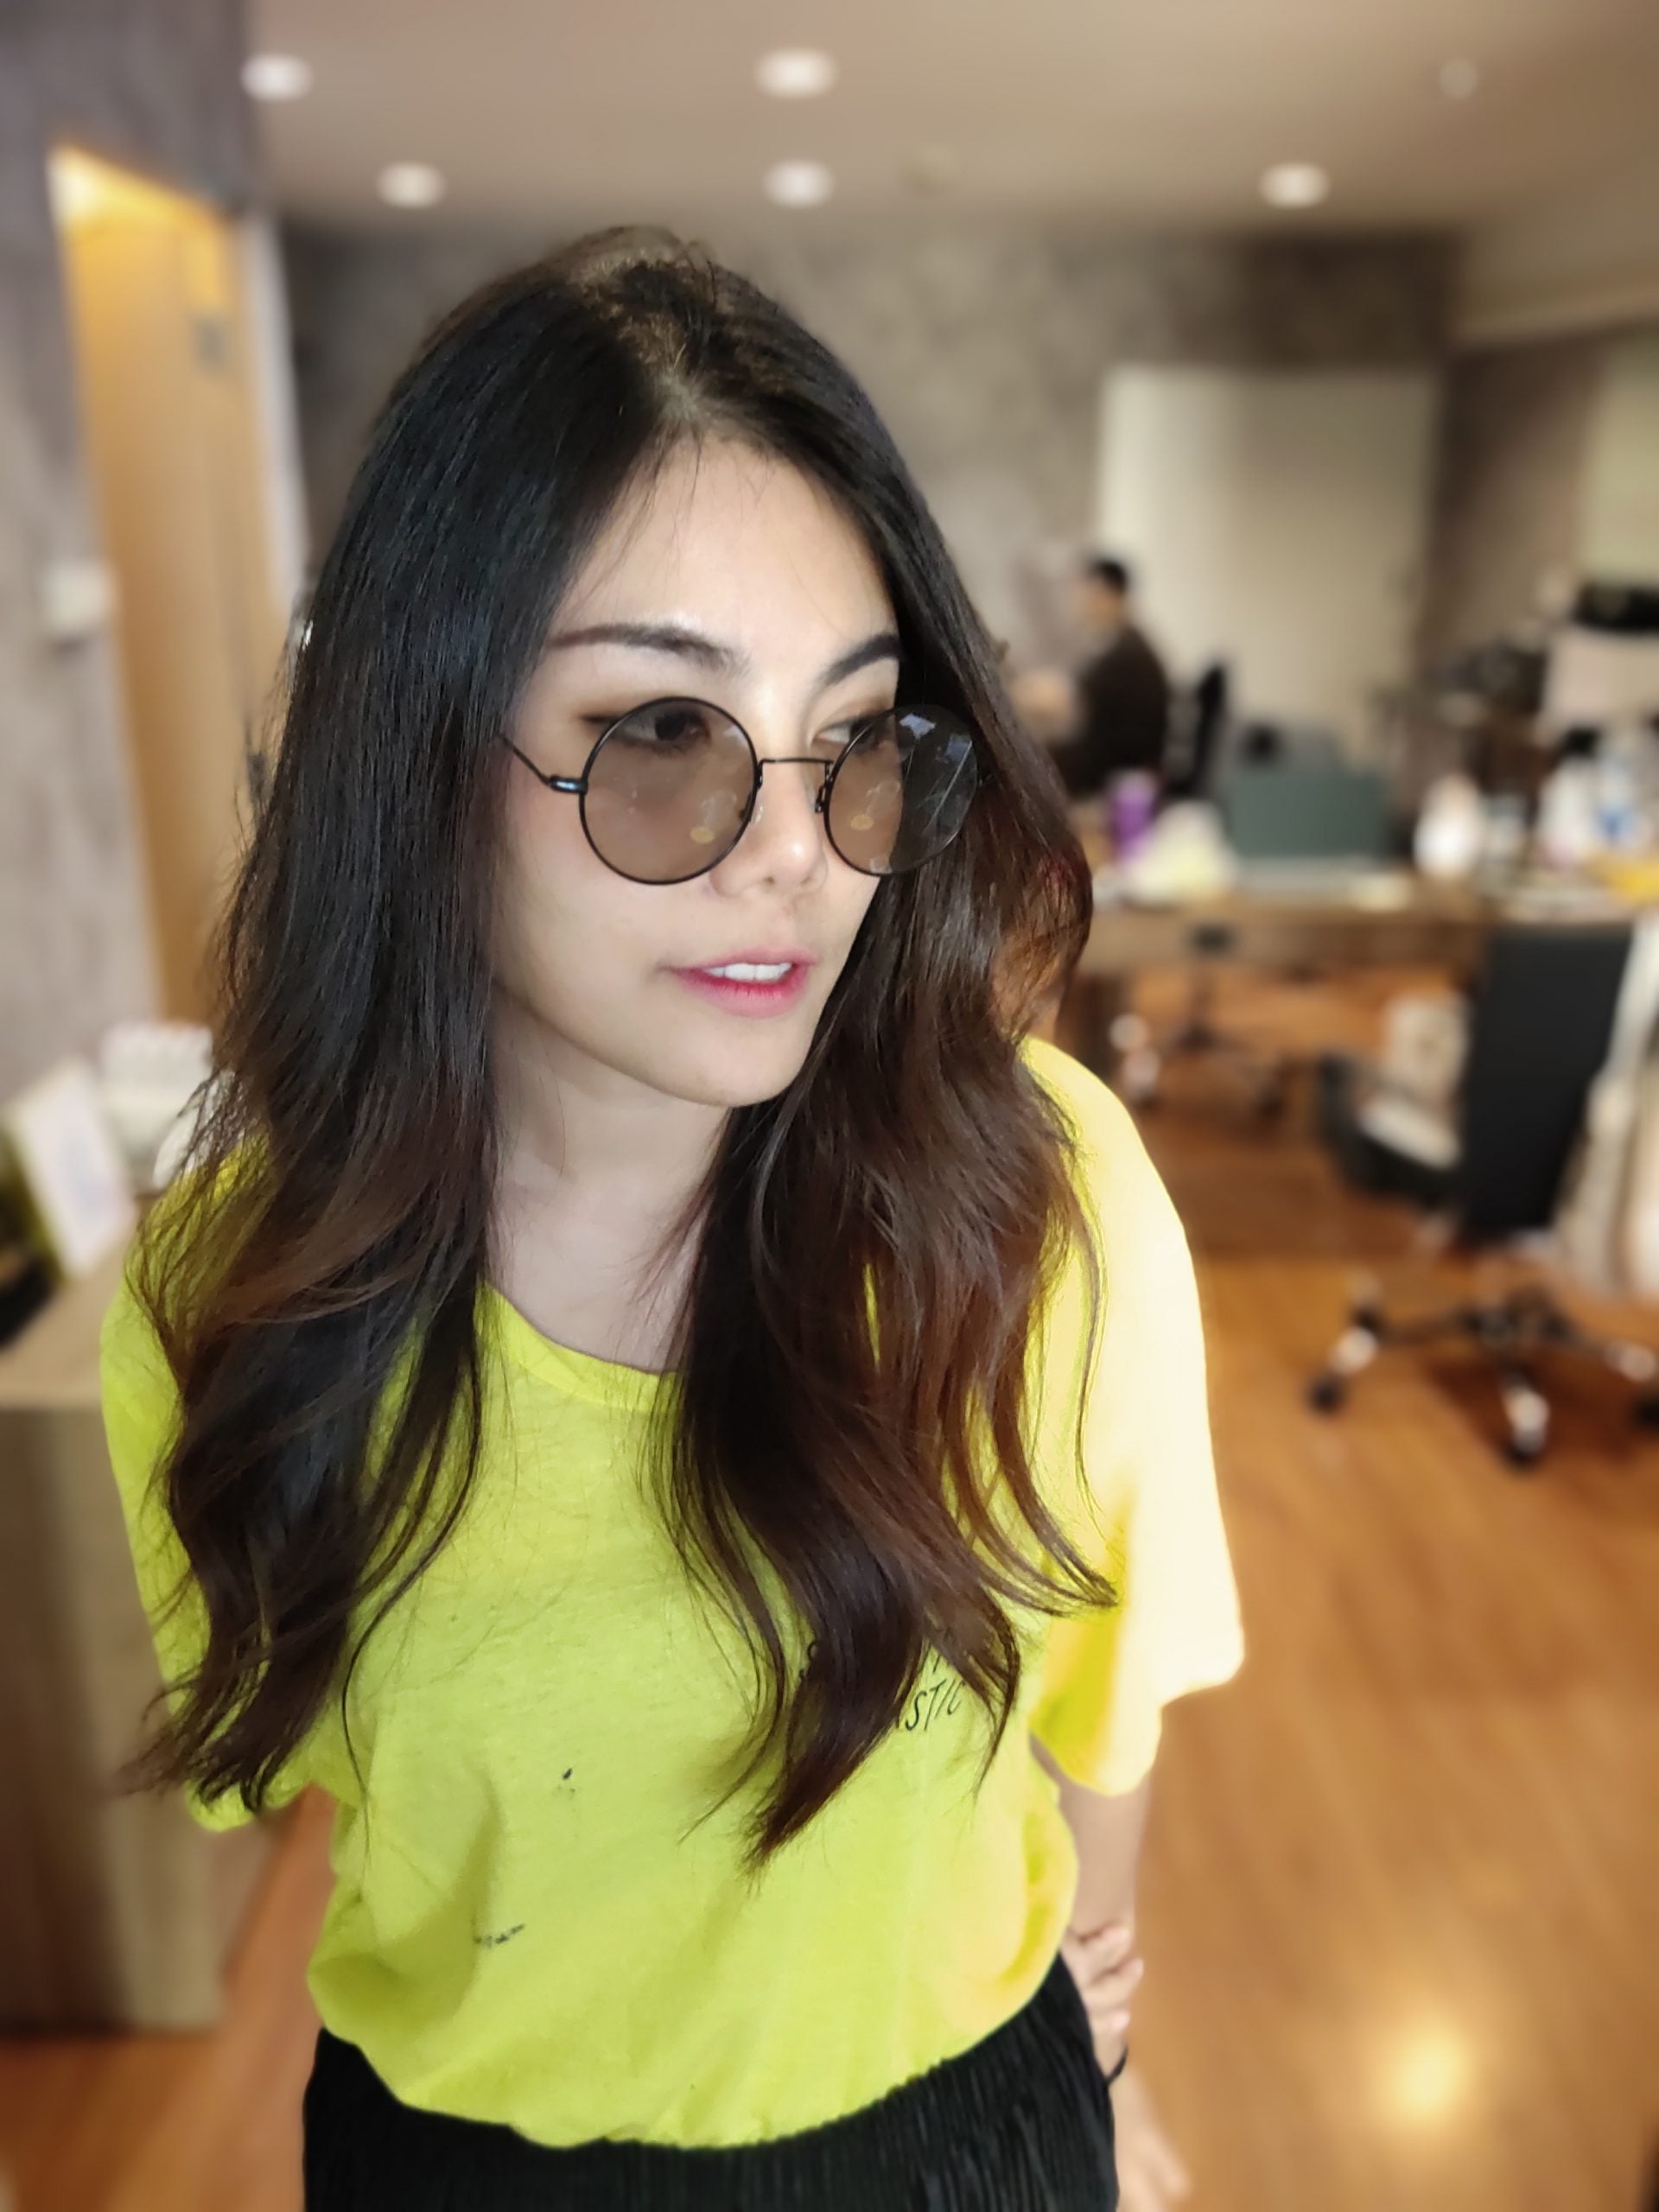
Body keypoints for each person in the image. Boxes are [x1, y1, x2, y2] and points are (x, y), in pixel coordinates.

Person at [100, 230, 1242, 2212]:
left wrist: (1103, 2070)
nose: (795, 853)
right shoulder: (233, 1296)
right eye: (660, 735)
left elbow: (1102, 1702)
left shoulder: (1037, 1197)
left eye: (857, 740)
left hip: (962, 2134)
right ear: (420, 751)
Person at [1048, 556, 1173, 799]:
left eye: (1088, 594)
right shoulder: (1129, 643)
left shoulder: (1127, 653)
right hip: (1116, 767)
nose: (1082, 603)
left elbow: (1063, 699)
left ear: (1106, 593)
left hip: (1115, 779)